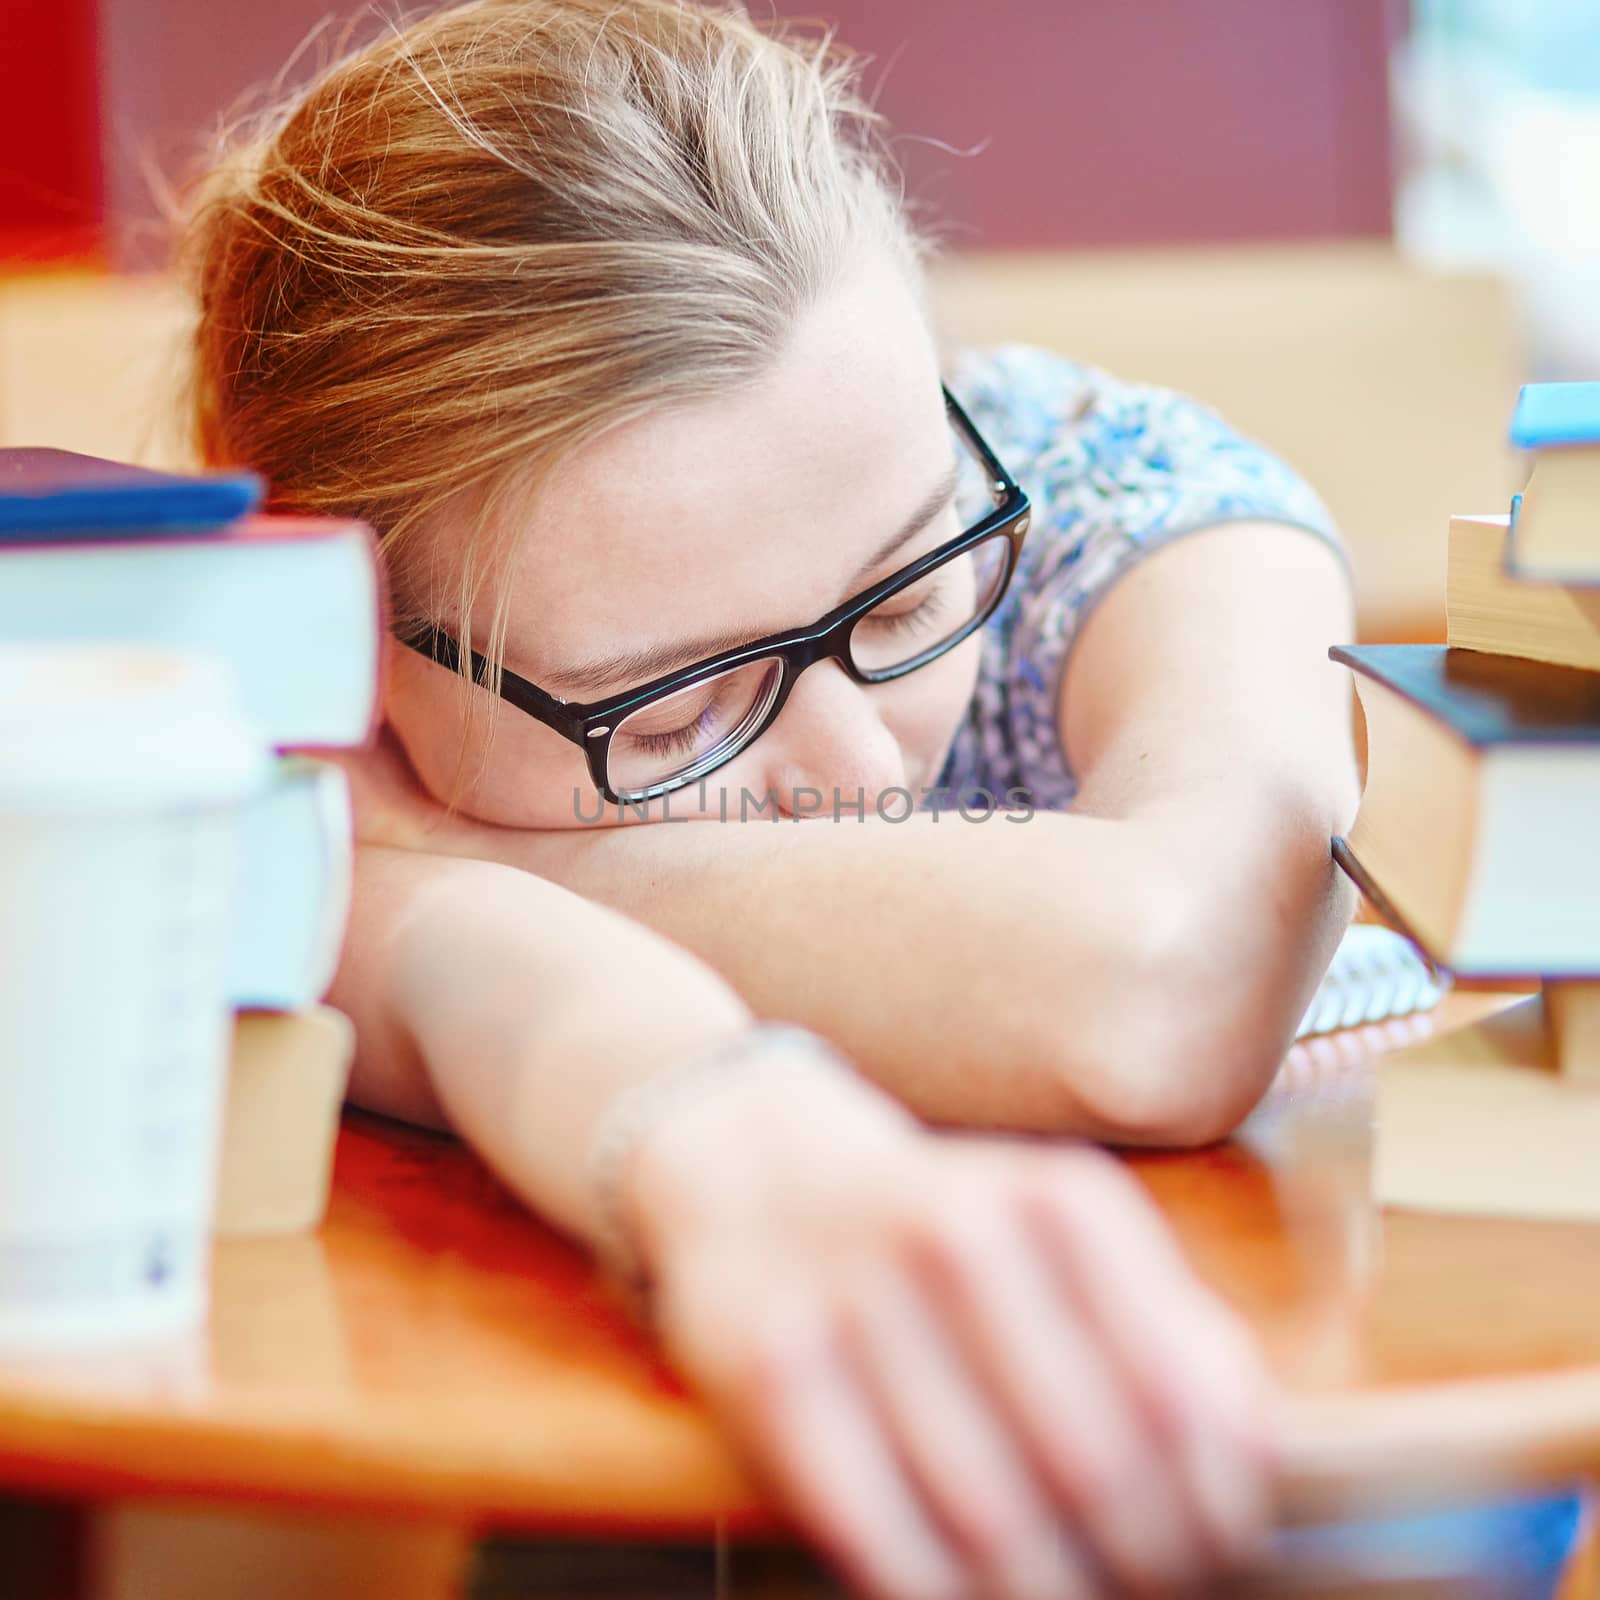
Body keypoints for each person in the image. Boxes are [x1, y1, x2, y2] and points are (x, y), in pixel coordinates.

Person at [179, 2, 1361, 1593]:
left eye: (903, 593)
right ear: (352, 648)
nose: (868, 770)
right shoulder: (199, 730)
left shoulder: (1114, 503)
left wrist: (437, 859)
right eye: (678, 713)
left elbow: (1160, 979)